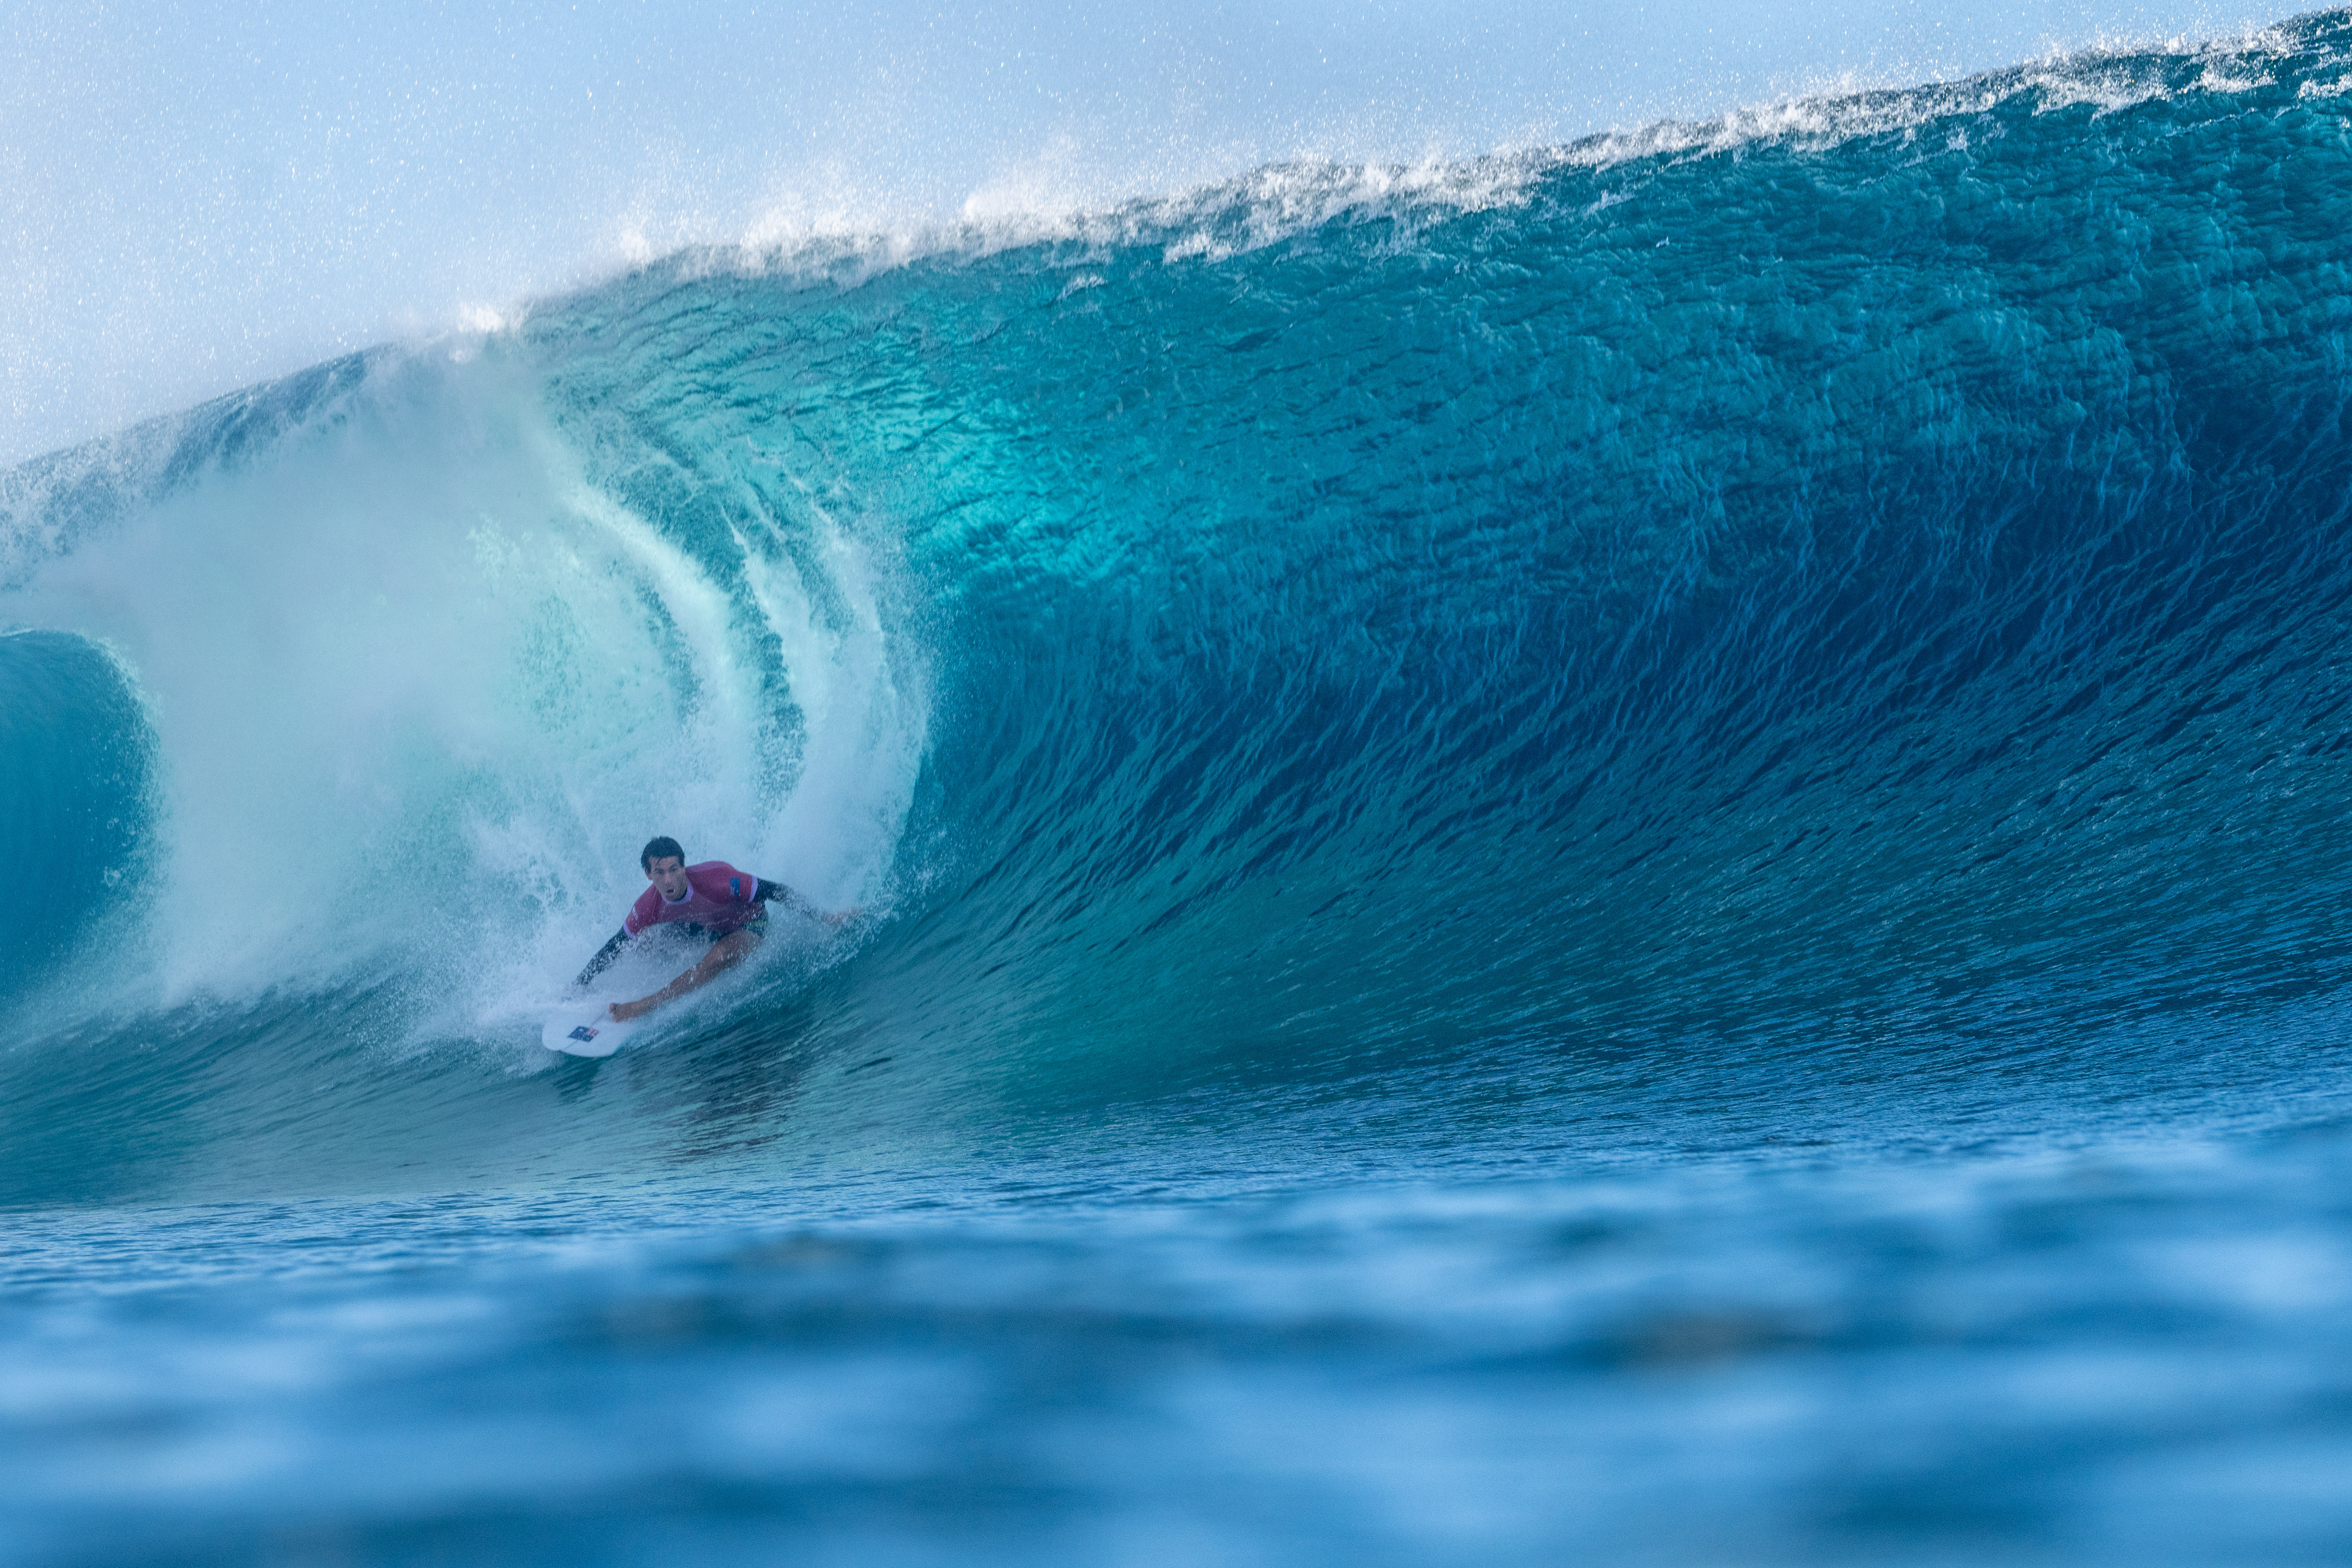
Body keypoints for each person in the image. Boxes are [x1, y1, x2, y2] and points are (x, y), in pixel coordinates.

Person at [573, 836, 851, 1022]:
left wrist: (826, 918)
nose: (669, 880)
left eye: (674, 869)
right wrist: (580, 983)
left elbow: (775, 891)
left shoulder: (718, 881)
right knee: (641, 942)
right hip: (703, 927)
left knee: (718, 958)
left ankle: (645, 1005)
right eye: (660, 873)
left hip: (748, 923)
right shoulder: (648, 905)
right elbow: (617, 943)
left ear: (684, 865)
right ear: (648, 874)